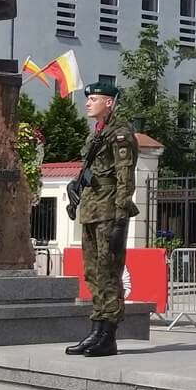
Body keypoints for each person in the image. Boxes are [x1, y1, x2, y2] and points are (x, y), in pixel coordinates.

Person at [66, 82, 139, 358]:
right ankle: (96, 330)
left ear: (109, 102)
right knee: (93, 273)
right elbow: (93, 170)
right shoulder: (96, 135)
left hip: (109, 212)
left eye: (94, 99)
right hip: (91, 210)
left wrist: (120, 220)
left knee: (109, 273)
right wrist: (74, 184)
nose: (88, 103)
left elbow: (124, 178)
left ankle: (108, 335)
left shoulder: (120, 135)